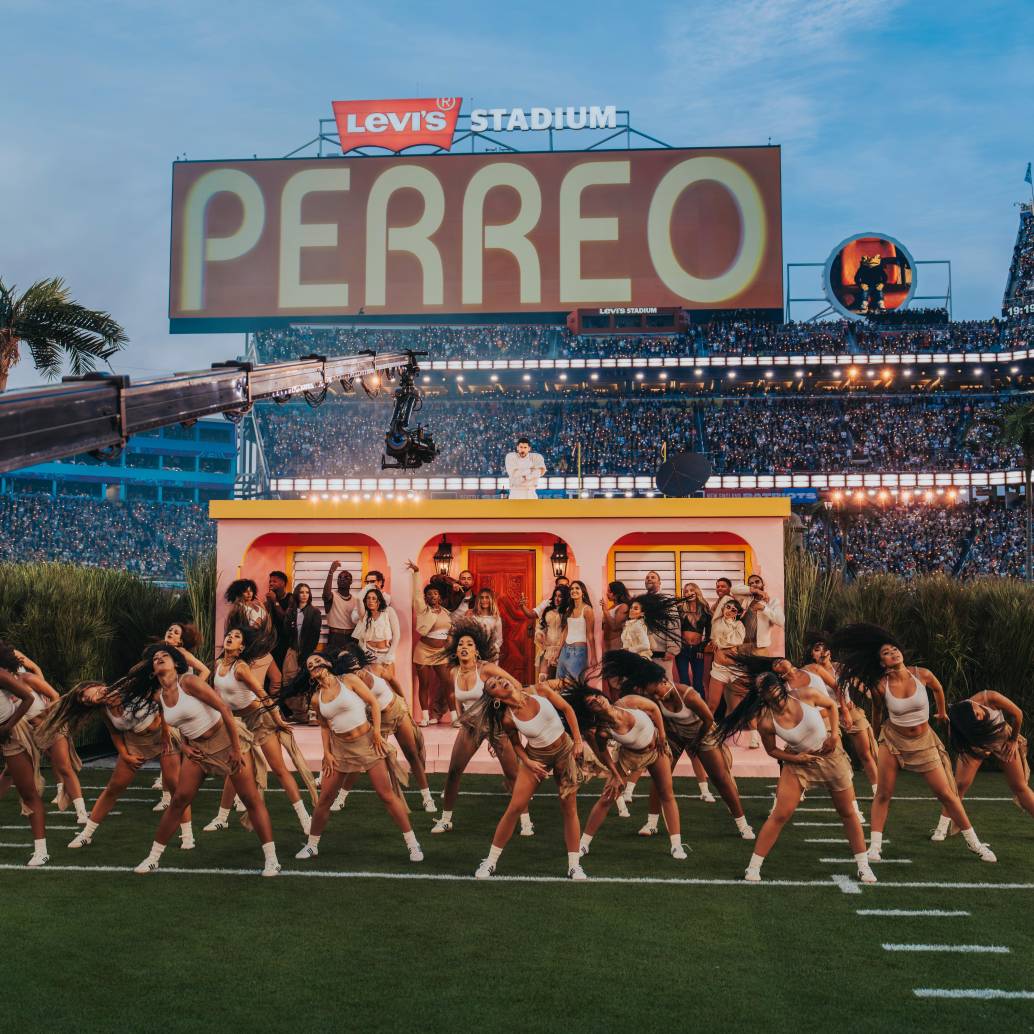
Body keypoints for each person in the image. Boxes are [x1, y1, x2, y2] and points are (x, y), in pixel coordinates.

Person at [831, 623, 996, 864]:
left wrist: (941, 712)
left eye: (894, 649)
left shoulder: (922, 674)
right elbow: (878, 712)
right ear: (881, 663)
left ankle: (975, 844)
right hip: (893, 739)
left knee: (947, 795)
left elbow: (938, 689)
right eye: (886, 653)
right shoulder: (881, 684)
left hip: (923, 741)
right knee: (884, 794)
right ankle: (874, 848)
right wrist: (877, 739)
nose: (893, 653)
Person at [124, 643, 281, 876]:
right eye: (155, 658)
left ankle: (272, 860)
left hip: (227, 740)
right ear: (152, 669)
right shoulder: (160, 696)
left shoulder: (188, 682)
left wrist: (237, 750)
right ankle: (153, 857)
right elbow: (180, 724)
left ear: (176, 663)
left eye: (164, 655)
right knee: (179, 800)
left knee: (250, 799)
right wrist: (185, 747)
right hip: (198, 749)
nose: (159, 658)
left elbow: (225, 710)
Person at [716, 661, 877, 885]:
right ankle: (753, 868)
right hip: (798, 763)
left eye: (771, 685)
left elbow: (831, 706)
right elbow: (772, 750)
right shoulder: (766, 721)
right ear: (761, 695)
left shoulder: (805, 695)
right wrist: (796, 758)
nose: (770, 692)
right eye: (764, 689)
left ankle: (863, 867)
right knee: (780, 814)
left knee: (847, 812)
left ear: (780, 684)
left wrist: (834, 737)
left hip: (831, 757)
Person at [601, 650, 755, 839]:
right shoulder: (653, 696)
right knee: (660, 777)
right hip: (674, 734)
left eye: (654, 689)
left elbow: (708, 719)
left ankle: (743, 825)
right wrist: (660, 736)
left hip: (702, 732)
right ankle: (651, 824)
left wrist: (697, 742)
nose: (653, 694)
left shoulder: (687, 695)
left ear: (664, 682)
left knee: (720, 778)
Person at [293, 652, 423, 863]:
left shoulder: (349, 680)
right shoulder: (317, 699)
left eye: (317, 660)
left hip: (367, 742)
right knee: (325, 798)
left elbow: (373, 702)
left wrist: (378, 733)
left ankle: (413, 844)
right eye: (310, 664)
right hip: (340, 749)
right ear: (309, 674)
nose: (315, 664)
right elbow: (325, 726)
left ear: (327, 663)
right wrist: (326, 752)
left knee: (386, 795)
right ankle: (311, 845)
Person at [42, 678, 194, 851]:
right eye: (83, 701)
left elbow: (162, 699)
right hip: (135, 741)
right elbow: (114, 733)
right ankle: (86, 835)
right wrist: (125, 755)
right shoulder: (104, 709)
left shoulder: (128, 688)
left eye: (84, 695)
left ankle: (188, 835)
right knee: (113, 788)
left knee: (175, 787)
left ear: (94, 686)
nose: (85, 700)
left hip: (163, 736)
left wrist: (166, 730)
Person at [468, 675, 589, 880]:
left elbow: (568, 710)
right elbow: (516, 744)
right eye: (493, 685)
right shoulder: (507, 717)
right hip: (536, 757)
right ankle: (490, 862)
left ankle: (574, 866)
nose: (499, 681)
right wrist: (529, 762)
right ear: (495, 698)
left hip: (565, 752)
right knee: (515, 807)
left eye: (498, 678)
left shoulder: (540, 690)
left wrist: (578, 741)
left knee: (569, 808)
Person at [201, 628, 315, 835]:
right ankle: (221, 818)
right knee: (233, 768)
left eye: (236, 637)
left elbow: (262, 694)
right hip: (236, 722)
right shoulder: (218, 665)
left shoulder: (241, 668)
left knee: (279, 769)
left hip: (259, 718)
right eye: (229, 635)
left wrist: (278, 719)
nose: (230, 638)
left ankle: (305, 817)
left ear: (241, 647)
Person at [430, 620, 533, 836]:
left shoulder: (486, 669)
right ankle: (446, 819)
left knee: (512, 774)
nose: (464, 647)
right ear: (456, 651)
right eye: (460, 644)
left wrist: (507, 709)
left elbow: (514, 683)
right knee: (453, 773)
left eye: (469, 644)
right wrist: (458, 716)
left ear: (476, 650)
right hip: (470, 727)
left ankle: (526, 821)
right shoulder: (453, 673)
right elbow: (456, 697)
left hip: (496, 725)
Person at [567, 681, 688, 861]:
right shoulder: (603, 731)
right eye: (592, 702)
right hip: (629, 756)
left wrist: (662, 734)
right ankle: (583, 844)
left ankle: (677, 846)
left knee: (666, 793)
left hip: (656, 750)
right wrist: (616, 775)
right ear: (591, 712)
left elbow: (654, 709)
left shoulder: (628, 702)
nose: (598, 700)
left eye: (597, 696)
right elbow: (603, 753)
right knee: (607, 797)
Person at [330, 642, 436, 815]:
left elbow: (393, 681)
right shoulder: (349, 685)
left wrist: (404, 703)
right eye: (345, 660)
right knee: (363, 760)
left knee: (412, 754)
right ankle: (341, 798)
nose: (350, 662)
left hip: (397, 711)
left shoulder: (375, 668)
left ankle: (427, 798)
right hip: (377, 721)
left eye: (351, 657)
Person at [932, 692, 1034, 839]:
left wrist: (1012, 740)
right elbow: (957, 738)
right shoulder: (962, 720)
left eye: (978, 715)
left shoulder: (990, 697)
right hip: (977, 743)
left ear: (973, 706)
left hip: (1001, 737)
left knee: (1020, 786)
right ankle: (941, 829)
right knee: (959, 785)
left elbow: (1018, 714)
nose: (980, 717)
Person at [804, 633, 879, 800]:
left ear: (830, 652)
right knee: (819, 749)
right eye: (817, 650)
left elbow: (858, 684)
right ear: (812, 654)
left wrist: (874, 695)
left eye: (825, 649)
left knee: (866, 752)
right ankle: (800, 786)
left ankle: (877, 791)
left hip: (849, 708)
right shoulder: (811, 671)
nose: (822, 652)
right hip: (825, 713)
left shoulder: (841, 667)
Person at [0, 641, 48, 866]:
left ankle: (41, 851)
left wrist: (8, 727)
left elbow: (28, 697)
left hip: (12, 734)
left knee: (28, 792)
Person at [408, 560, 455, 725]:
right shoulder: (422, 609)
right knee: (424, 685)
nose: (432, 596)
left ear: (440, 597)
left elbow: (449, 633)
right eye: (429, 594)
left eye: (435, 593)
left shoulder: (447, 613)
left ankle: (455, 718)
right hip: (423, 650)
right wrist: (416, 573)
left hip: (440, 653)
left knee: (448, 683)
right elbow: (416, 594)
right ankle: (425, 718)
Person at [224, 578, 281, 700]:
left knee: (277, 679)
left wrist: (263, 609)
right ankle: (257, 713)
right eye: (245, 591)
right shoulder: (239, 609)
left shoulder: (258, 606)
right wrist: (257, 626)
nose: (249, 593)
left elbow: (268, 625)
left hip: (263, 648)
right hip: (252, 651)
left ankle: (272, 710)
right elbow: (240, 631)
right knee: (256, 685)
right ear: (239, 592)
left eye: (251, 590)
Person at [281, 583, 322, 719]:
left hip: (307, 652)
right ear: (297, 594)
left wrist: (305, 655)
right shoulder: (291, 611)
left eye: (307, 592)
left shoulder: (315, 612)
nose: (304, 595)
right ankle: (297, 712)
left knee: (306, 680)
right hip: (292, 650)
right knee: (289, 679)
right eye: (301, 592)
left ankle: (307, 712)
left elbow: (315, 636)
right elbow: (286, 633)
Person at [706, 598, 747, 716]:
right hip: (719, 669)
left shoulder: (739, 625)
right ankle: (708, 730)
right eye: (727, 607)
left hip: (736, 669)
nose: (729, 611)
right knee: (712, 704)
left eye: (733, 610)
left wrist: (719, 642)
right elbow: (725, 641)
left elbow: (738, 641)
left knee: (736, 705)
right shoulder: (716, 622)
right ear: (723, 607)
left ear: (738, 613)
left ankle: (734, 730)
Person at [351, 587, 400, 679]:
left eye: (374, 598)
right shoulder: (364, 614)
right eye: (368, 598)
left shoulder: (388, 611)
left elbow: (397, 635)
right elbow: (358, 598)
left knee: (389, 684)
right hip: (368, 654)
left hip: (385, 654)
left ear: (379, 601)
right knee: (370, 685)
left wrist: (390, 655)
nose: (370, 601)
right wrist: (369, 586)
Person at [730, 574, 784, 656]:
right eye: (751, 583)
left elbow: (781, 621)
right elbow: (733, 590)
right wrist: (756, 591)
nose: (754, 584)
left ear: (763, 584)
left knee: (760, 669)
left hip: (759, 648)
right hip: (741, 646)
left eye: (757, 582)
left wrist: (763, 608)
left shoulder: (773, 601)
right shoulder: (745, 599)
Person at [555, 580, 596, 682]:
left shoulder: (587, 610)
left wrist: (594, 656)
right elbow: (565, 632)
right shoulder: (569, 609)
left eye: (577, 588)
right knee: (559, 683)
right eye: (572, 589)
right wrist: (558, 652)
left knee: (574, 685)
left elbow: (590, 634)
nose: (574, 590)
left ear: (583, 592)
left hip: (578, 652)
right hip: (565, 650)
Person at [676, 583, 711, 692]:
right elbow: (673, 627)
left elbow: (709, 632)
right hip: (682, 649)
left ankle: (700, 708)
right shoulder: (680, 608)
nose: (689, 593)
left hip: (697, 650)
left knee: (698, 683)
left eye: (692, 590)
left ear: (697, 591)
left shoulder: (705, 608)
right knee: (684, 681)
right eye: (686, 591)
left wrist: (701, 648)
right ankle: (686, 709)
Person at [322, 561, 359, 659]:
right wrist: (331, 572)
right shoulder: (332, 596)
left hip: (351, 637)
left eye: (346, 578)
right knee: (334, 666)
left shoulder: (356, 600)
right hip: (335, 637)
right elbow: (326, 594)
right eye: (340, 577)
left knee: (349, 666)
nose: (342, 579)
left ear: (351, 582)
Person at [535, 584, 571, 680]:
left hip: (561, 648)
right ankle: (542, 695)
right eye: (555, 595)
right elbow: (541, 626)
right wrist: (539, 634)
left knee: (557, 680)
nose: (557, 598)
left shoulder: (568, 612)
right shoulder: (548, 610)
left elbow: (568, 630)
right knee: (542, 678)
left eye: (560, 596)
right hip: (548, 648)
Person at [468, 588, 503, 663]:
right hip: (475, 654)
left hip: (491, 655)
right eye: (482, 597)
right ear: (478, 600)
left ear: (491, 600)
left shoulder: (496, 619)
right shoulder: (473, 617)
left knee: (491, 674)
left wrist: (492, 650)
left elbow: (499, 639)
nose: (484, 600)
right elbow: (469, 636)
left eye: (487, 597)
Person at [600, 581, 631, 654]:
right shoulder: (612, 607)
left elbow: (615, 627)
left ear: (616, 593)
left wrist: (605, 610)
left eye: (609, 591)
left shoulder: (623, 606)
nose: (607, 593)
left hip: (616, 644)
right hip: (606, 644)